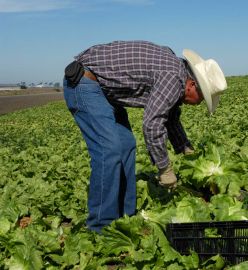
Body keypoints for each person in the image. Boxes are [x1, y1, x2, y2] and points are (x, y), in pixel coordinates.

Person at [63, 40, 227, 233]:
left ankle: (126, 217)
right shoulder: (173, 77)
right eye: (201, 99)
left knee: (127, 144)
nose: (197, 104)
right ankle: (99, 227)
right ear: (192, 85)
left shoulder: (177, 72)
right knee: (110, 149)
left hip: (105, 90)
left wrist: (186, 151)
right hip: (85, 83)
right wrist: (165, 168)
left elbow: (171, 119)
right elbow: (152, 124)